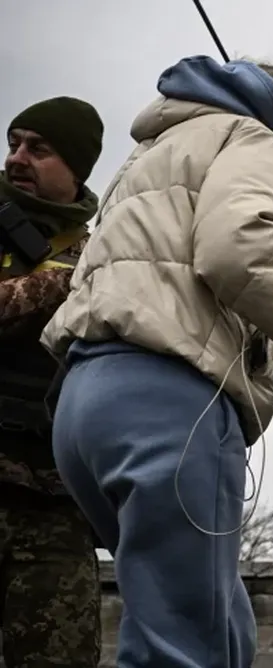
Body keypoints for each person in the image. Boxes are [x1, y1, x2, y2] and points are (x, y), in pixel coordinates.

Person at [40, 55, 273, 667]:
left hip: (81, 406)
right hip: (166, 400)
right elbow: (236, 252)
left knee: (223, 629)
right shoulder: (250, 134)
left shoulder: (152, 152)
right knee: (180, 648)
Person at [0, 96, 104, 667]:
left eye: (38, 149)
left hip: (56, 501)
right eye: (14, 143)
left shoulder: (101, 252)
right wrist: (64, 288)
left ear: (76, 167)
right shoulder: (90, 270)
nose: (18, 158)